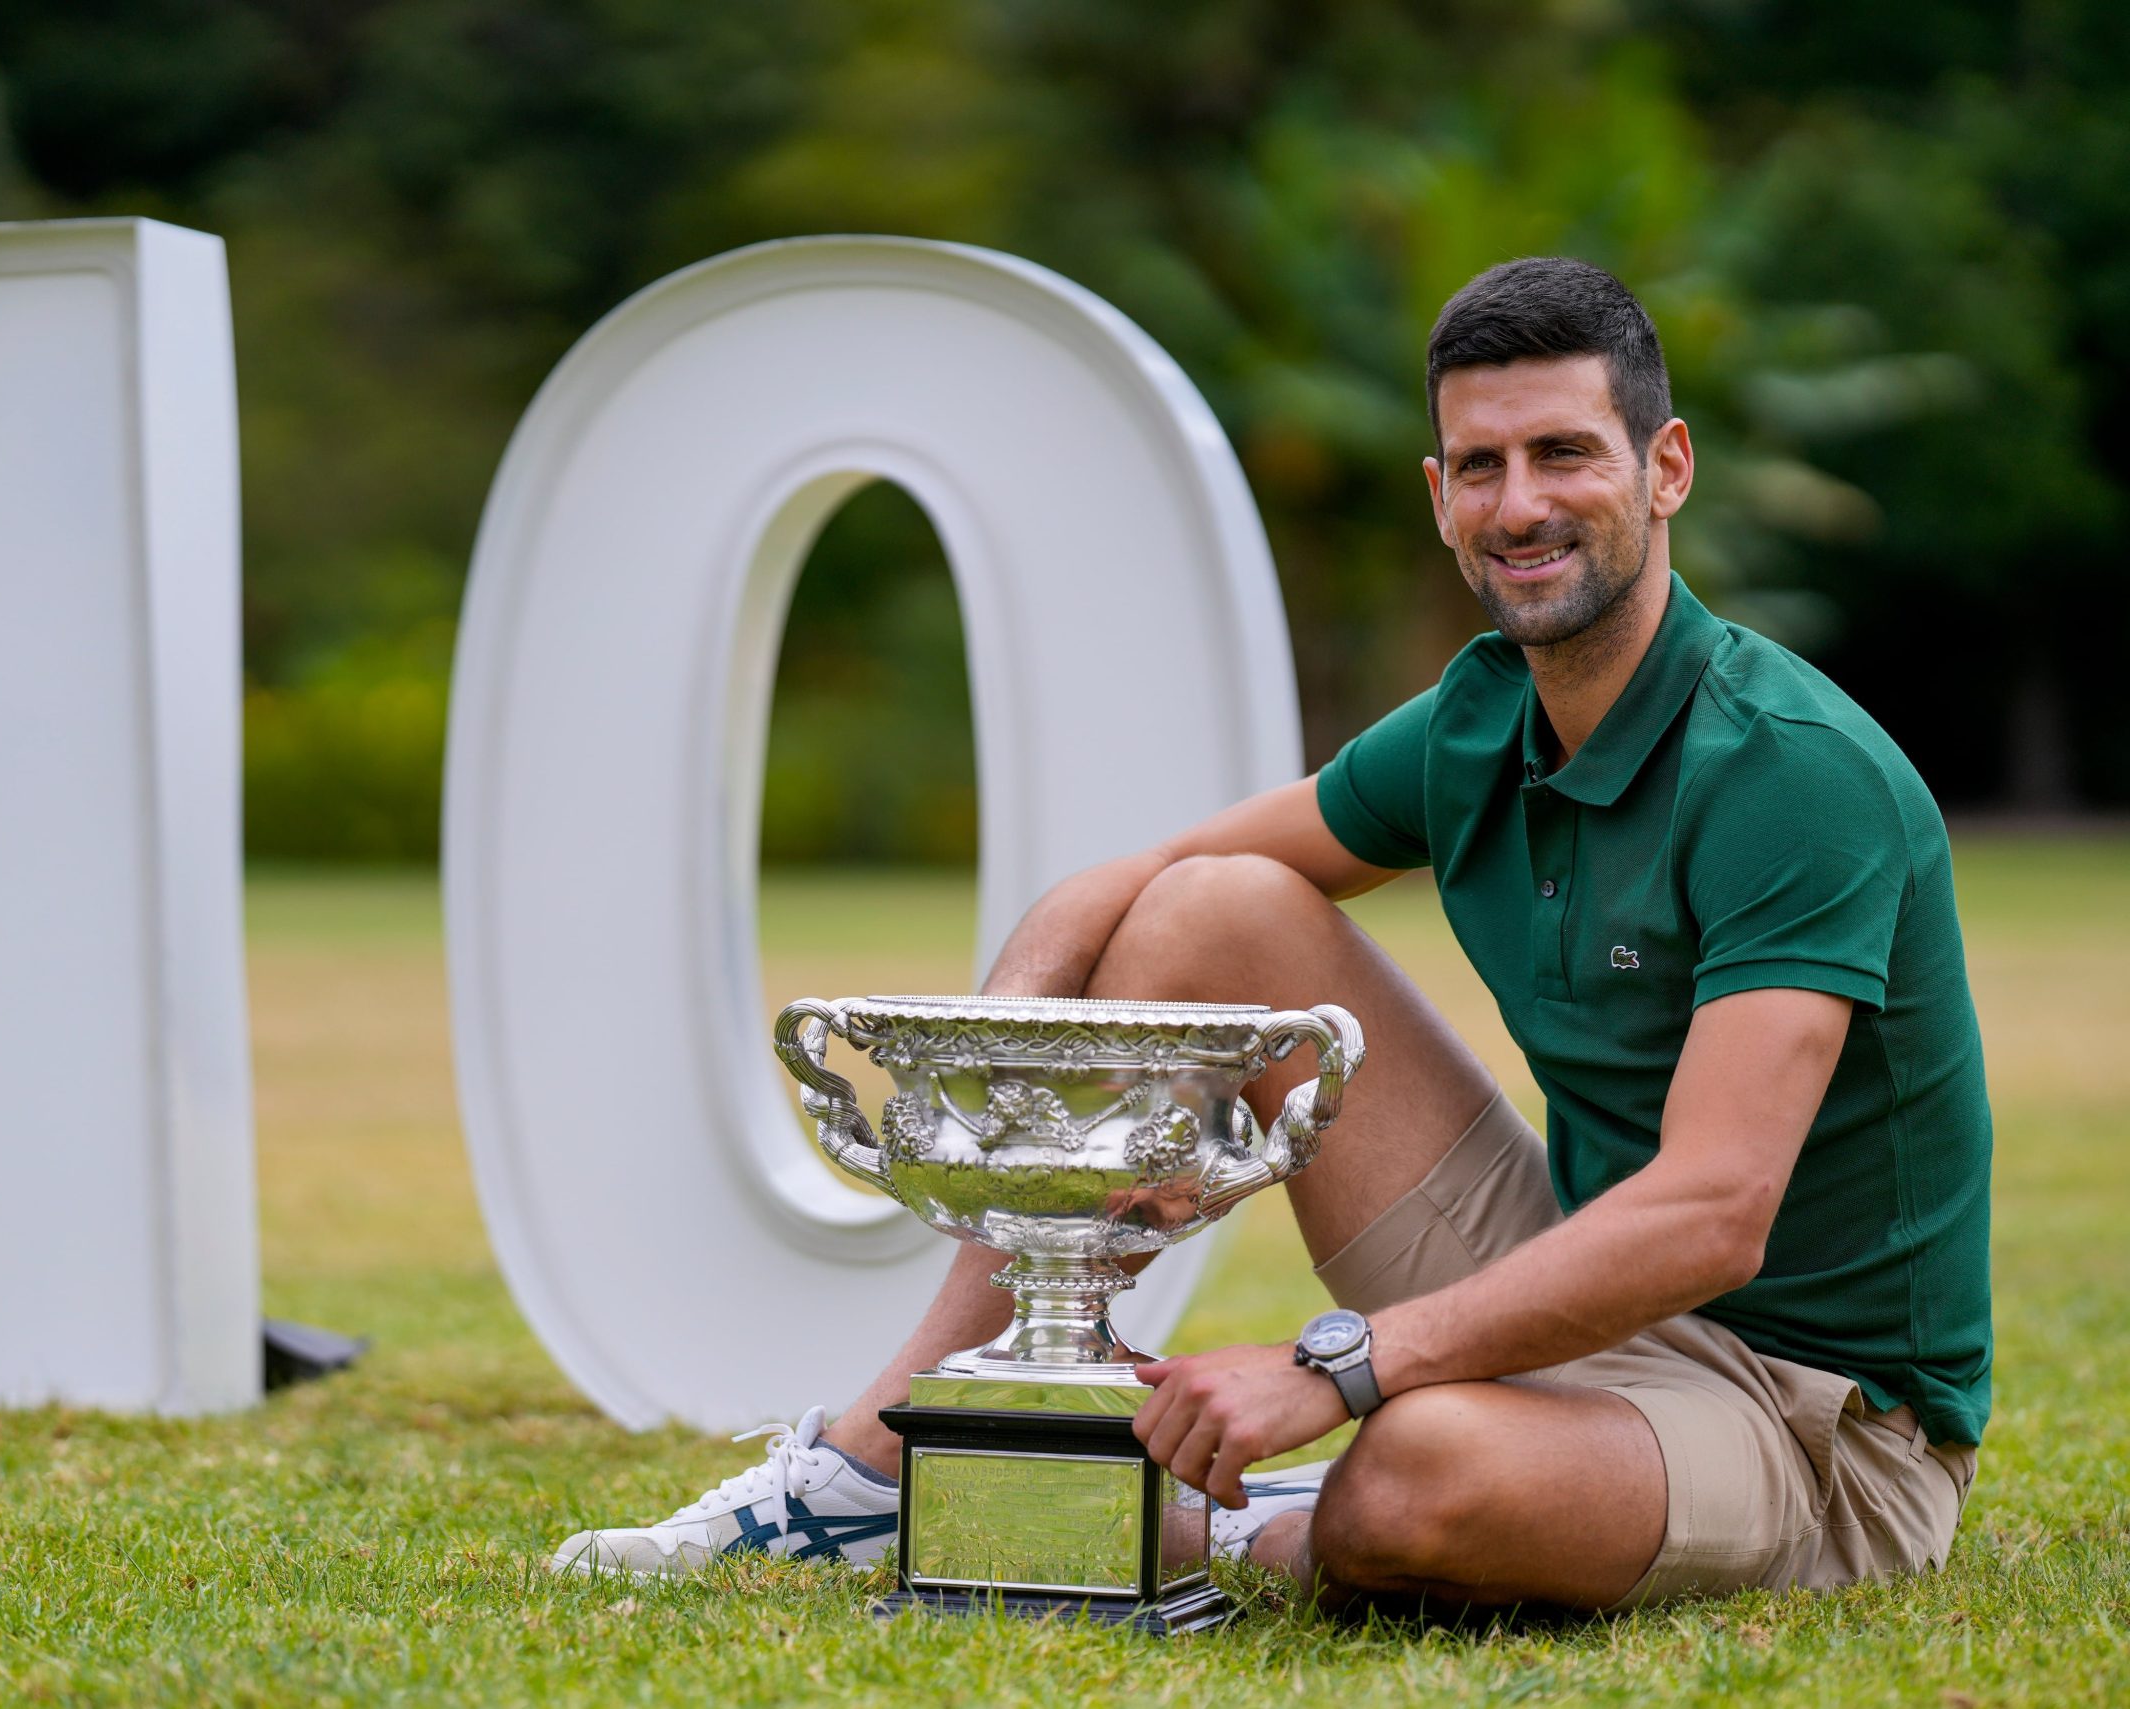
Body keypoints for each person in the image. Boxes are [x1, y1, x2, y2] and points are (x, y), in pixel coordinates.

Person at [550, 257, 1991, 1611]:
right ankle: (881, 1457)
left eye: (1565, 453)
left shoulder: (1790, 770)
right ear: (1439, 496)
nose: (1521, 504)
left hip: (1808, 1415)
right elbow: (1152, 881)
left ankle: (1257, 1511)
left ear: (1663, 468)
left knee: (1417, 1479)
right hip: (1579, 1280)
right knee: (1211, 907)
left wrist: (1338, 1365)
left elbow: (1710, 1211)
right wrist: (1005, 1076)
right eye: (1481, 466)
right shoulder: (1486, 713)